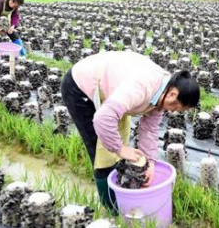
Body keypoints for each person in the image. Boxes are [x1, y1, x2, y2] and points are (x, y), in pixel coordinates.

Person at [60, 50, 200, 212]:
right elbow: (103, 118)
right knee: (102, 153)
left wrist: (150, 162)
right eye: (176, 106)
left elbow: (150, 130)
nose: (174, 111)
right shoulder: (143, 86)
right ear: (173, 94)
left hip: (113, 93)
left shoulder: (163, 95)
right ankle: (112, 209)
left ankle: (125, 196)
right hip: (80, 87)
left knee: (120, 148)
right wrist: (119, 148)